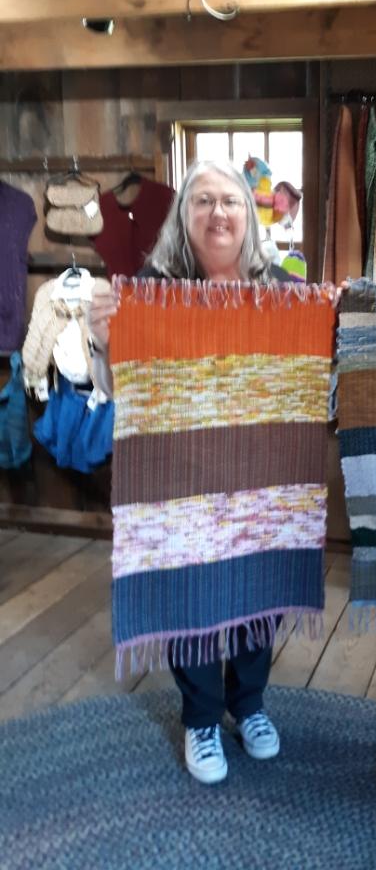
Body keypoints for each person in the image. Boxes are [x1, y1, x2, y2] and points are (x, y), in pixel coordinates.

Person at [89, 160, 292, 785]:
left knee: (261, 589)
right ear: (184, 217)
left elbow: (313, 377)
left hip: (261, 472)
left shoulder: (281, 290)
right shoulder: (149, 291)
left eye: (229, 200)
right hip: (179, 476)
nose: (217, 212)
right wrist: (103, 338)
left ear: (248, 215)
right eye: (201, 201)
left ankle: (248, 702)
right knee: (189, 594)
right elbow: (118, 389)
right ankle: (202, 716)